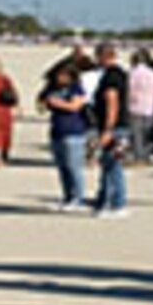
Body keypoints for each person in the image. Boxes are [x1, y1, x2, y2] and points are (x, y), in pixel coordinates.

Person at [41, 62, 91, 210]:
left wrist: (58, 103)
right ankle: (67, 196)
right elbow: (42, 102)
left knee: (73, 166)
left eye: (63, 75)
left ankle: (78, 198)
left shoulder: (76, 89)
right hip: (57, 130)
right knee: (62, 167)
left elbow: (75, 106)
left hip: (73, 131)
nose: (60, 78)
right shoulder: (53, 89)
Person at [90, 44, 131, 218]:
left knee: (113, 165)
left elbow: (112, 103)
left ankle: (117, 203)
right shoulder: (118, 74)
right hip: (117, 126)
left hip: (115, 128)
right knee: (107, 164)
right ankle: (104, 201)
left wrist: (108, 129)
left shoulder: (112, 77)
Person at [125, 50, 153, 163]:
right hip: (149, 105)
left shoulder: (132, 73)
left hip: (135, 106)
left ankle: (138, 156)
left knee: (137, 134)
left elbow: (130, 90)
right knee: (147, 133)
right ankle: (147, 154)